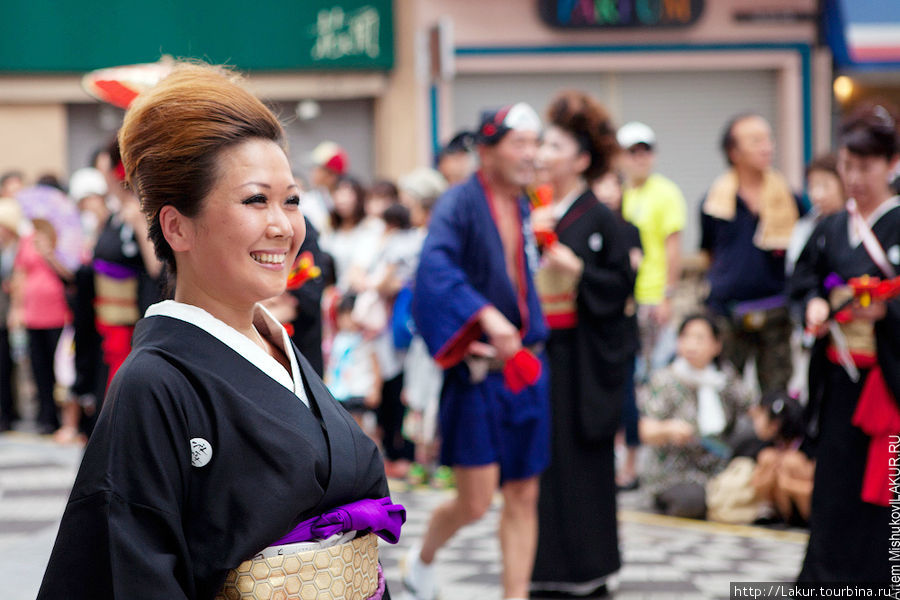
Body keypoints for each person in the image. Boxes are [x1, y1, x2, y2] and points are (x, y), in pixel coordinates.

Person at [38, 62, 401, 600]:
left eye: (292, 199)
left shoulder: (280, 349)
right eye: (256, 199)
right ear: (176, 226)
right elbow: (137, 574)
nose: (283, 225)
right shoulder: (154, 384)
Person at [406, 102, 550, 600]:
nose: (531, 154)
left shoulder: (527, 203)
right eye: (519, 143)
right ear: (485, 151)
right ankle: (423, 559)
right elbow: (436, 271)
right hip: (479, 371)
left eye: (535, 143)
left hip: (525, 366)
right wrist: (485, 314)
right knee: (475, 501)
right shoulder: (458, 203)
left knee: (524, 492)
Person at [528, 90, 632, 598]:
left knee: (580, 461)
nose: (542, 154)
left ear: (582, 160)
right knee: (540, 462)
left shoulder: (602, 219)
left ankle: (588, 570)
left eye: (553, 145)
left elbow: (619, 291)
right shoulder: (537, 210)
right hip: (543, 351)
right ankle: (543, 565)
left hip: (582, 356)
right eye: (542, 144)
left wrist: (579, 270)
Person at [791, 103, 900, 583]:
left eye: (866, 166)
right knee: (834, 489)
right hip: (840, 377)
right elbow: (805, 281)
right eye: (847, 166)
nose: (854, 178)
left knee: (885, 492)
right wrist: (813, 305)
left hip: (890, 380)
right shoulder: (832, 226)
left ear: (892, 163)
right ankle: (827, 585)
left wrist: (886, 311)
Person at [700, 113, 805, 395]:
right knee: (723, 391)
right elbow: (709, 252)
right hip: (727, 311)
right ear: (733, 152)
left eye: (768, 139)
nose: (766, 147)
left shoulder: (790, 199)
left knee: (776, 395)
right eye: (756, 141)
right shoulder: (713, 201)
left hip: (776, 310)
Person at [638, 314, 752, 519]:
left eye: (700, 339)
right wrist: (668, 429)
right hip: (675, 473)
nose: (692, 345)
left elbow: (750, 410)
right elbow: (644, 429)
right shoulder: (665, 379)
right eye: (686, 337)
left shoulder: (725, 378)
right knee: (692, 501)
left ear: (717, 345)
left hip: (718, 467)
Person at [617, 121, 686, 378]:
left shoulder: (665, 193)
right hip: (624, 297)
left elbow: (673, 248)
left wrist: (667, 296)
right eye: (632, 152)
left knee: (656, 369)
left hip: (653, 296)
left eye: (645, 151)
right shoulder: (616, 193)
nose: (640, 159)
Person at [593, 170, 643, 491]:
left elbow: (631, 270)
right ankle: (604, 464)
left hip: (623, 324)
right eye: (601, 183)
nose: (608, 191)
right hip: (596, 324)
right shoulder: (587, 227)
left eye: (614, 184)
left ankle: (631, 464)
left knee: (626, 397)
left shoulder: (629, 230)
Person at [749, 390, 814, 525]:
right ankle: (773, 513)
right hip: (784, 511)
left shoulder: (807, 445)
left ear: (775, 424)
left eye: (760, 415)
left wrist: (789, 485)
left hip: (807, 509)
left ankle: (810, 520)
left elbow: (816, 487)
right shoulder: (768, 448)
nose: (755, 421)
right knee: (768, 457)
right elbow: (754, 485)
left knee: (792, 461)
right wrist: (770, 476)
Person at [325, 292, 382, 439]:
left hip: (360, 389)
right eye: (342, 315)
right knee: (344, 426)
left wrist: (375, 389)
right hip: (339, 390)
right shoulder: (336, 339)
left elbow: (375, 365)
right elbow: (333, 364)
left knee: (362, 427)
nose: (346, 320)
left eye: (349, 314)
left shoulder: (365, 339)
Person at [0, 197, 23, 432]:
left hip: (13, 313)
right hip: (5, 312)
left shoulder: (18, 247)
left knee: (11, 365)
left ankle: (9, 412)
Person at [302, 140, 349, 235]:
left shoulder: (348, 203)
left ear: (331, 174)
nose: (312, 172)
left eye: (316, 168)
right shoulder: (308, 200)